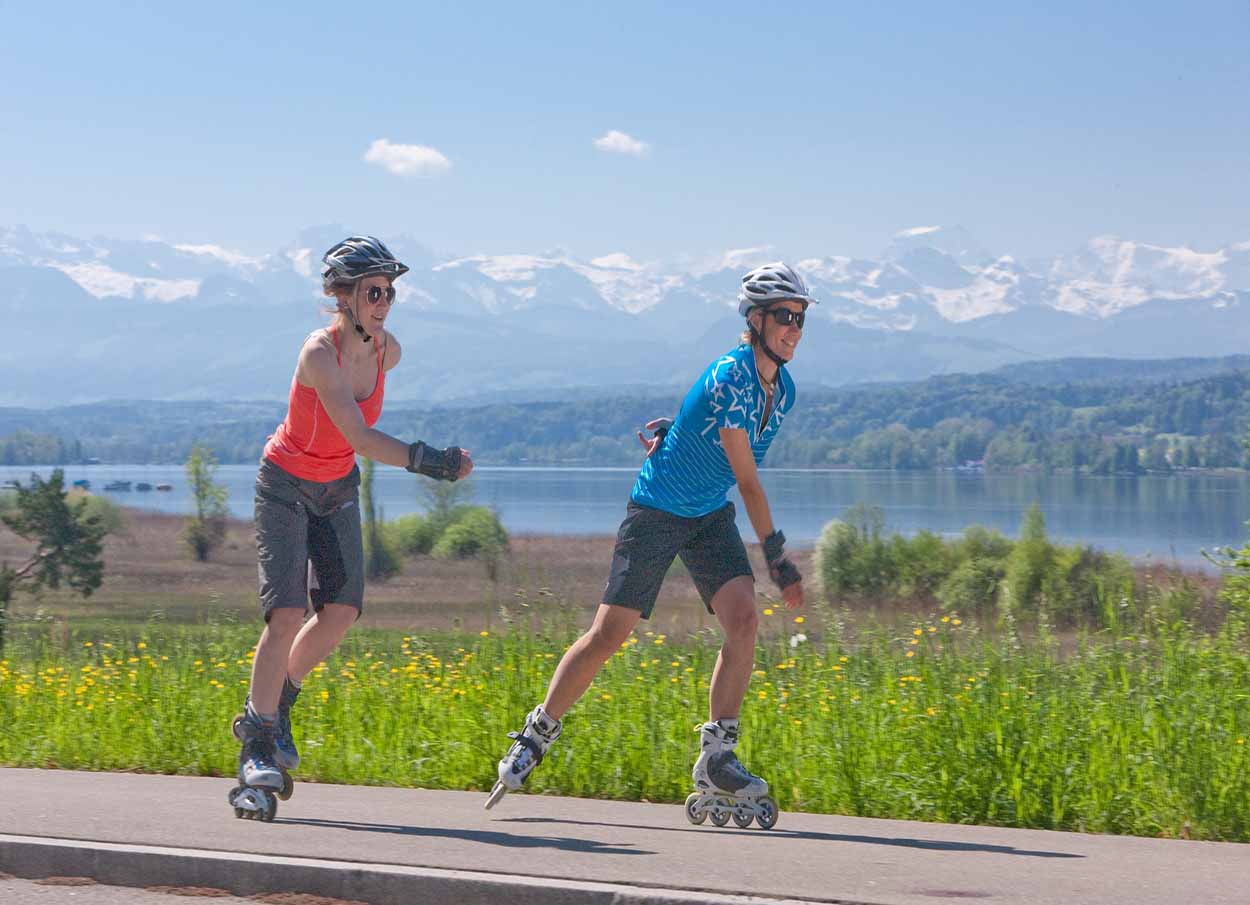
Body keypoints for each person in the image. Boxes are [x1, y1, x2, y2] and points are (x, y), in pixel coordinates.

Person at [486, 261, 812, 829]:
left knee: (744, 620)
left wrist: (680, 433)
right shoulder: (730, 376)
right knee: (609, 634)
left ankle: (718, 758)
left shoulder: (780, 391)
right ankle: (538, 731)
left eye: (801, 319)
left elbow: (726, 458)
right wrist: (777, 557)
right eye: (785, 316)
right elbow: (751, 481)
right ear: (755, 319)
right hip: (658, 507)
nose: (794, 328)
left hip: (707, 512)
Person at [229, 236, 473, 821]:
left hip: (336, 488)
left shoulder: (387, 352)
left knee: (340, 610)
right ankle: (256, 744)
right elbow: (359, 438)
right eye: (373, 291)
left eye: (390, 290)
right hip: (285, 483)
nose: (385, 301)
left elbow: (352, 452)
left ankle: (275, 705)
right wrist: (434, 462)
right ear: (343, 295)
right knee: (286, 614)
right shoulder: (320, 354)